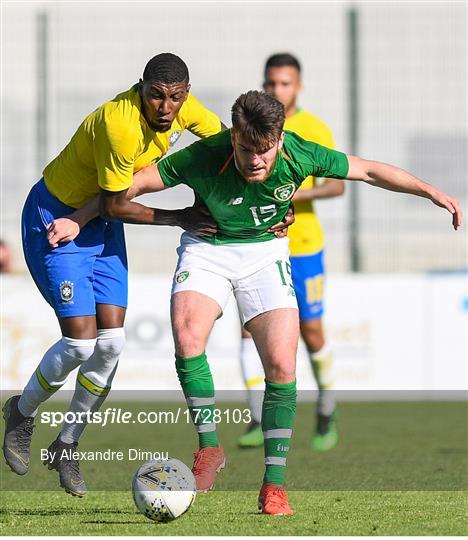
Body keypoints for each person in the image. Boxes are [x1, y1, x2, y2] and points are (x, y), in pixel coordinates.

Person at [103, 90, 459, 515]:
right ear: (232, 136)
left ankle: (273, 486)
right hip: (206, 249)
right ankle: (210, 449)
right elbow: (126, 189)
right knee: (187, 336)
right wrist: (108, 214)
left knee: (283, 366)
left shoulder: (300, 154)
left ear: (280, 138)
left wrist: (430, 191)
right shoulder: (202, 156)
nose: (256, 160)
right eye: (246, 149)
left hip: (265, 256)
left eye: (265, 150)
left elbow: (367, 171)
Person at [2, 53, 225, 497]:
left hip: (97, 223)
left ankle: (67, 444)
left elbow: (224, 143)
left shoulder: (186, 109)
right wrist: (182, 216)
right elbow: (117, 203)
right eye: (156, 96)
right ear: (140, 87)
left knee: (112, 343)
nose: (166, 107)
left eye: (175, 98)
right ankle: (21, 414)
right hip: (57, 221)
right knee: (81, 341)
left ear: (185, 93)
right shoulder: (119, 124)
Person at [238, 53, 344, 451]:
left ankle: (326, 412)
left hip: (303, 247)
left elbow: (337, 185)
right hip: (259, 244)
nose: (277, 90)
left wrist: (297, 193)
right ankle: (255, 417)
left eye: (284, 83)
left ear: (298, 86)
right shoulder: (251, 127)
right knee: (249, 330)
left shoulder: (314, 128)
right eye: (271, 83)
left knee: (312, 331)